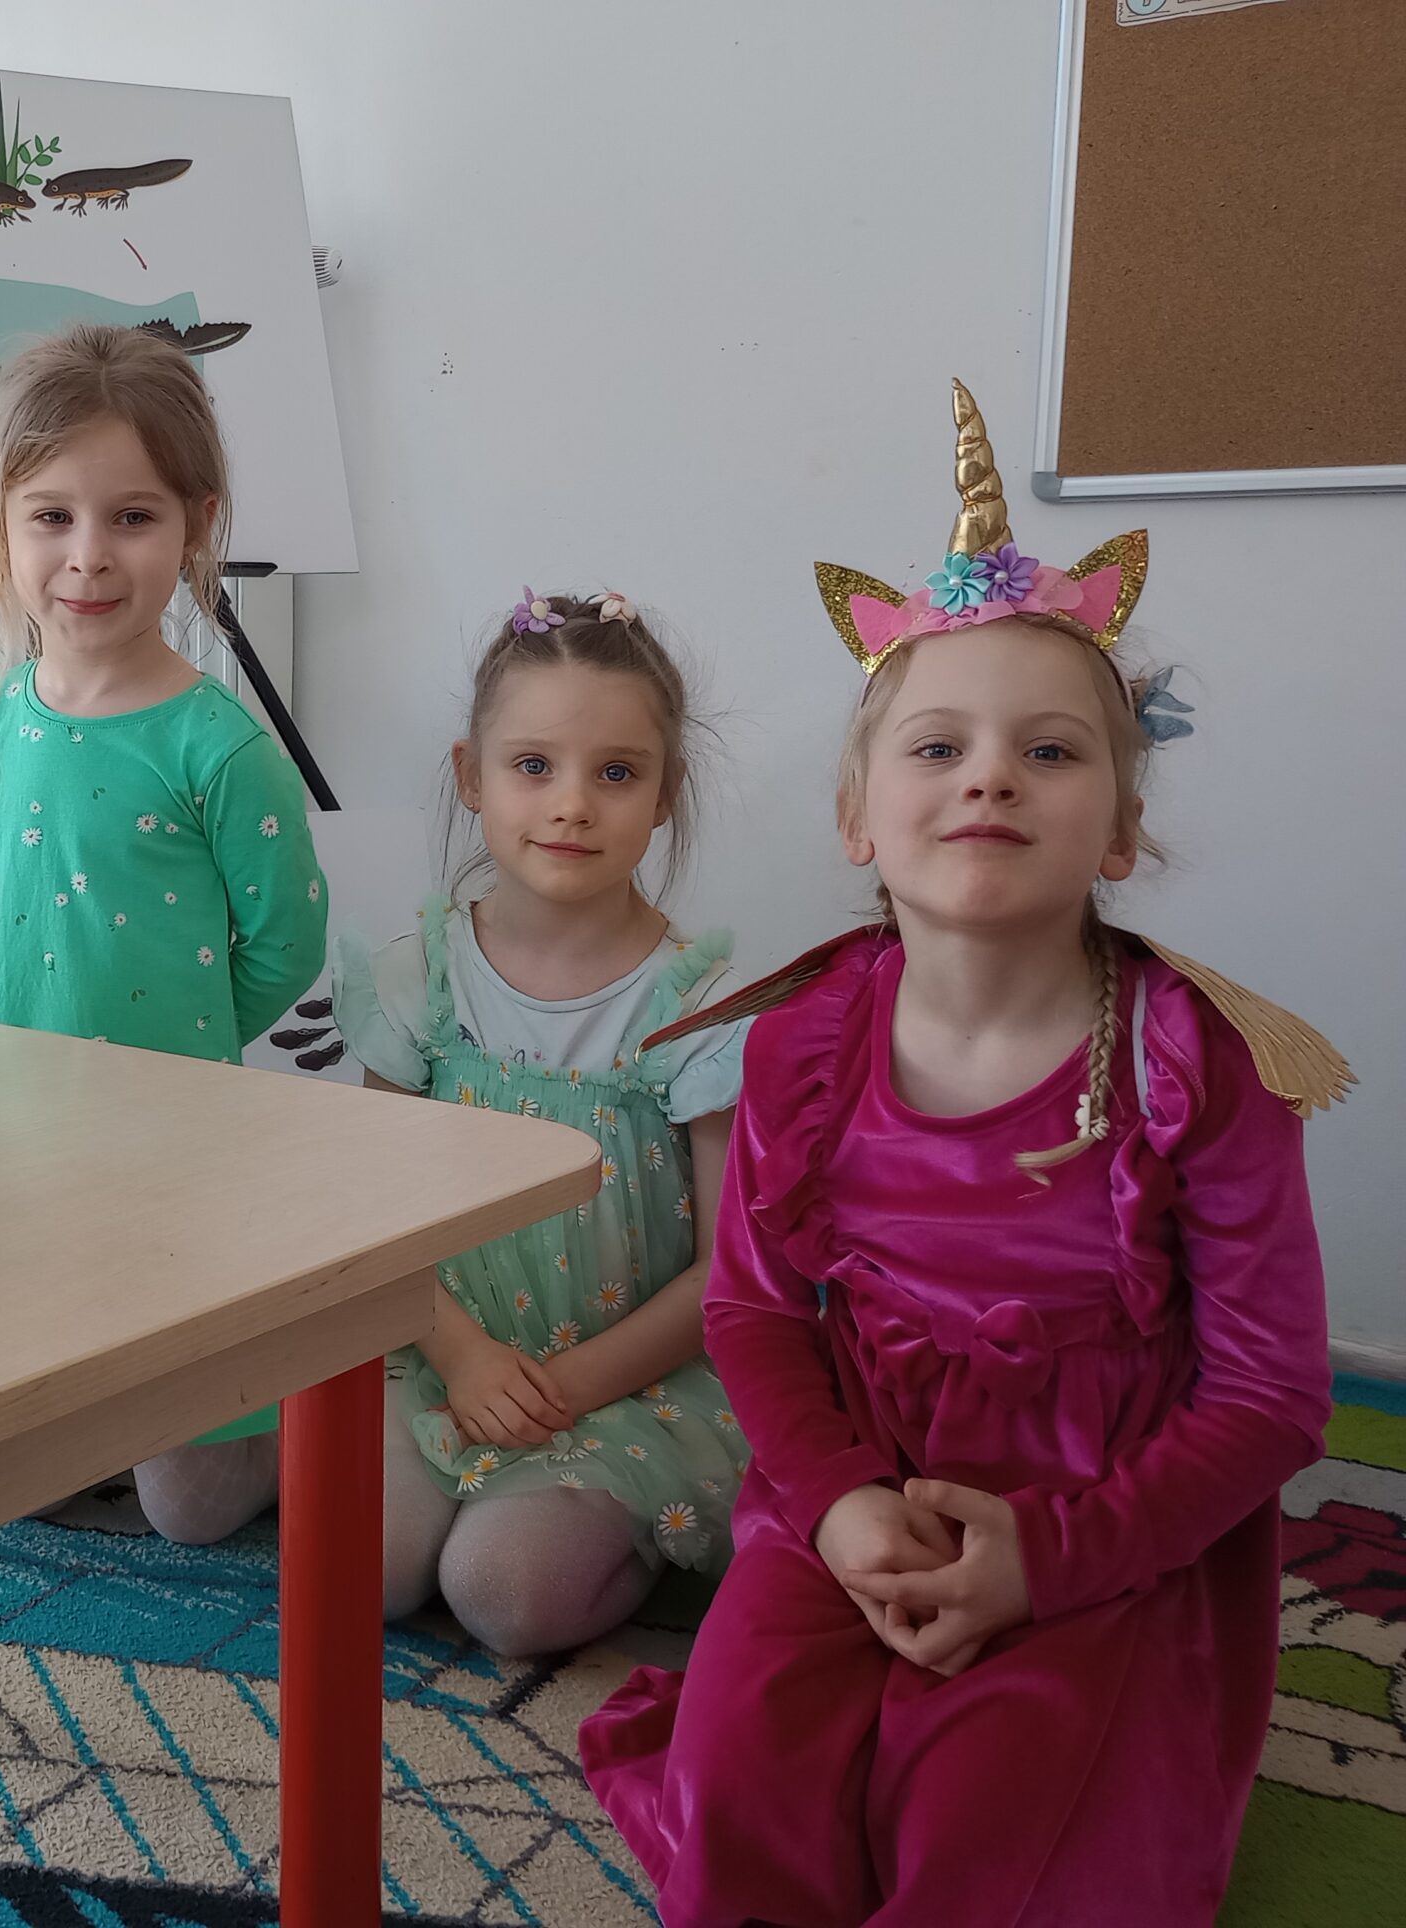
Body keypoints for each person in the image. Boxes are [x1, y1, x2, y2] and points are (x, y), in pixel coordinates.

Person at [579, 381, 1350, 1924]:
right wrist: (843, 1507)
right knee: (747, 1793)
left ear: (1120, 829)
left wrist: (1048, 1561)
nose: (991, 776)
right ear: (857, 817)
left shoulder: (1197, 1067)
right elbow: (755, 1313)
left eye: (1050, 752)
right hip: (851, 1494)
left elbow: (1271, 1400)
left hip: (1111, 1524)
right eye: (938, 746)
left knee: (1011, 1845)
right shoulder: (801, 1046)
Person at [0, 322, 328, 1544]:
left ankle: (287, 1396)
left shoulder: (221, 746)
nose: (89, 555)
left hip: (172, 1149)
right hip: (16, 1143)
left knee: (191, 1509)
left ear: (196, 525)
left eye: (133, 517)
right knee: (19, 1465)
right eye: (52, 516)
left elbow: (286, 940)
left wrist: (181, 1045)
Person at [333, 588, 750, 1655]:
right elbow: (371, 1216)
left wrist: (561, 1388)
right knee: (358, 1571)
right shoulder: (418, 979)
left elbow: (725, 1271)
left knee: (503, 1592)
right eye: (532, 766)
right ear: (470, 776)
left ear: (665, 793)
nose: (571, 805)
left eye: (616, 773)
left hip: (624, 1382)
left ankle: (623, 1533)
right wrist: (466, 1357)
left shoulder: (701, 1011)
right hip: (434, 1342)